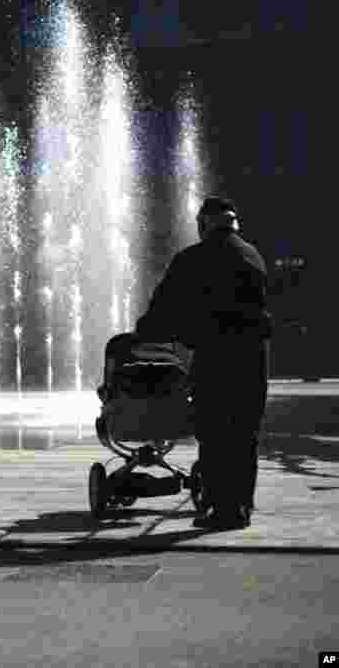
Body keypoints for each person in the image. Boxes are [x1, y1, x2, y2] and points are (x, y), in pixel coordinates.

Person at [136, 196, 271, 530]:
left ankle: (220, 508)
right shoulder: (253, 255)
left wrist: (146, 332)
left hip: (216, 357)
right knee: (244, 432)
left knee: (214, 431)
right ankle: (241, 506)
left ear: (204, 224)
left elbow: (164, 307)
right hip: (254, 359)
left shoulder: (194, 258)